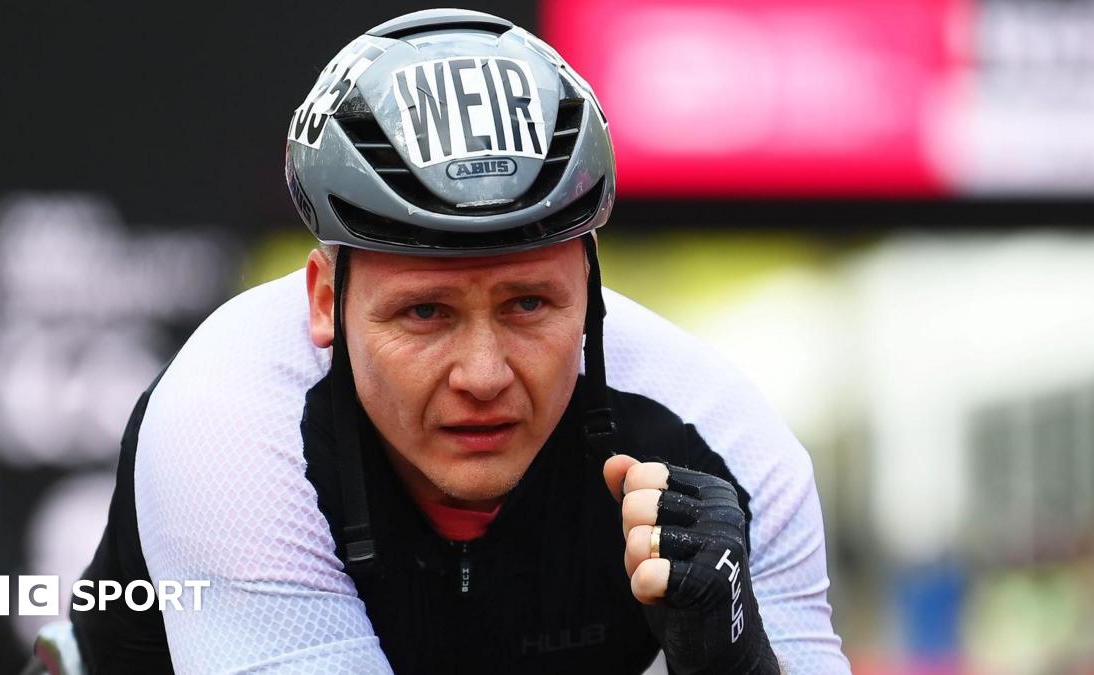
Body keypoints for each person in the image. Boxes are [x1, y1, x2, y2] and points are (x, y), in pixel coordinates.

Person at [70, 9, 849, 674]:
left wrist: (737, 659)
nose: (483, 375)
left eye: (530, 303)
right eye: (425, 313)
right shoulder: (227, 414)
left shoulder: (725, 442)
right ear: (322, 302)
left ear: (591, 287)